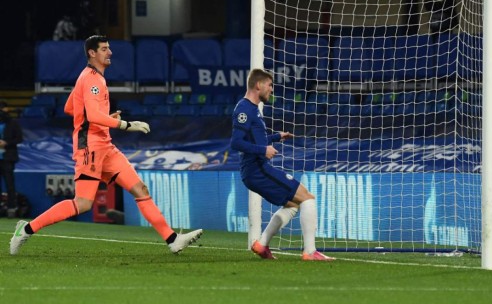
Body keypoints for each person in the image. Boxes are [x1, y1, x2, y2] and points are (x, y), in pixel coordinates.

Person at [10, 35, 203, 255]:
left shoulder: (88, 77)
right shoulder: (92, 79)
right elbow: (91, 115)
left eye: (109, 48)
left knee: (140, 189)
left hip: (105, 145)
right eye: (104, 49)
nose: (109, 52)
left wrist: (104, 117)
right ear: (92, 53)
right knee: (82, 204)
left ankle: (172, 239)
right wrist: (126, 124)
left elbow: (70, 108)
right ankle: (25, 229)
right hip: (90, 147)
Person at [230, 68, 334, 261]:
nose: (271, 90)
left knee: (292, 204)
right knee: (307, 198)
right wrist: (263, 150)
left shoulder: (252, 109)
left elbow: (254, 139)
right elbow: (235, 143)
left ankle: (262, 244)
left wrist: (276, 137)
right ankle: (310, 252)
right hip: (257, 170)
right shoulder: (244, 109)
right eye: (270, 85)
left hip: (256, 170)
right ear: (258, 85)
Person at [0, 100, 23, 218]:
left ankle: (11, 208)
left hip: (8, 158)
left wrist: (6, 143)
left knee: (10, 184)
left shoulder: (12, 123)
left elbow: (19, 138)